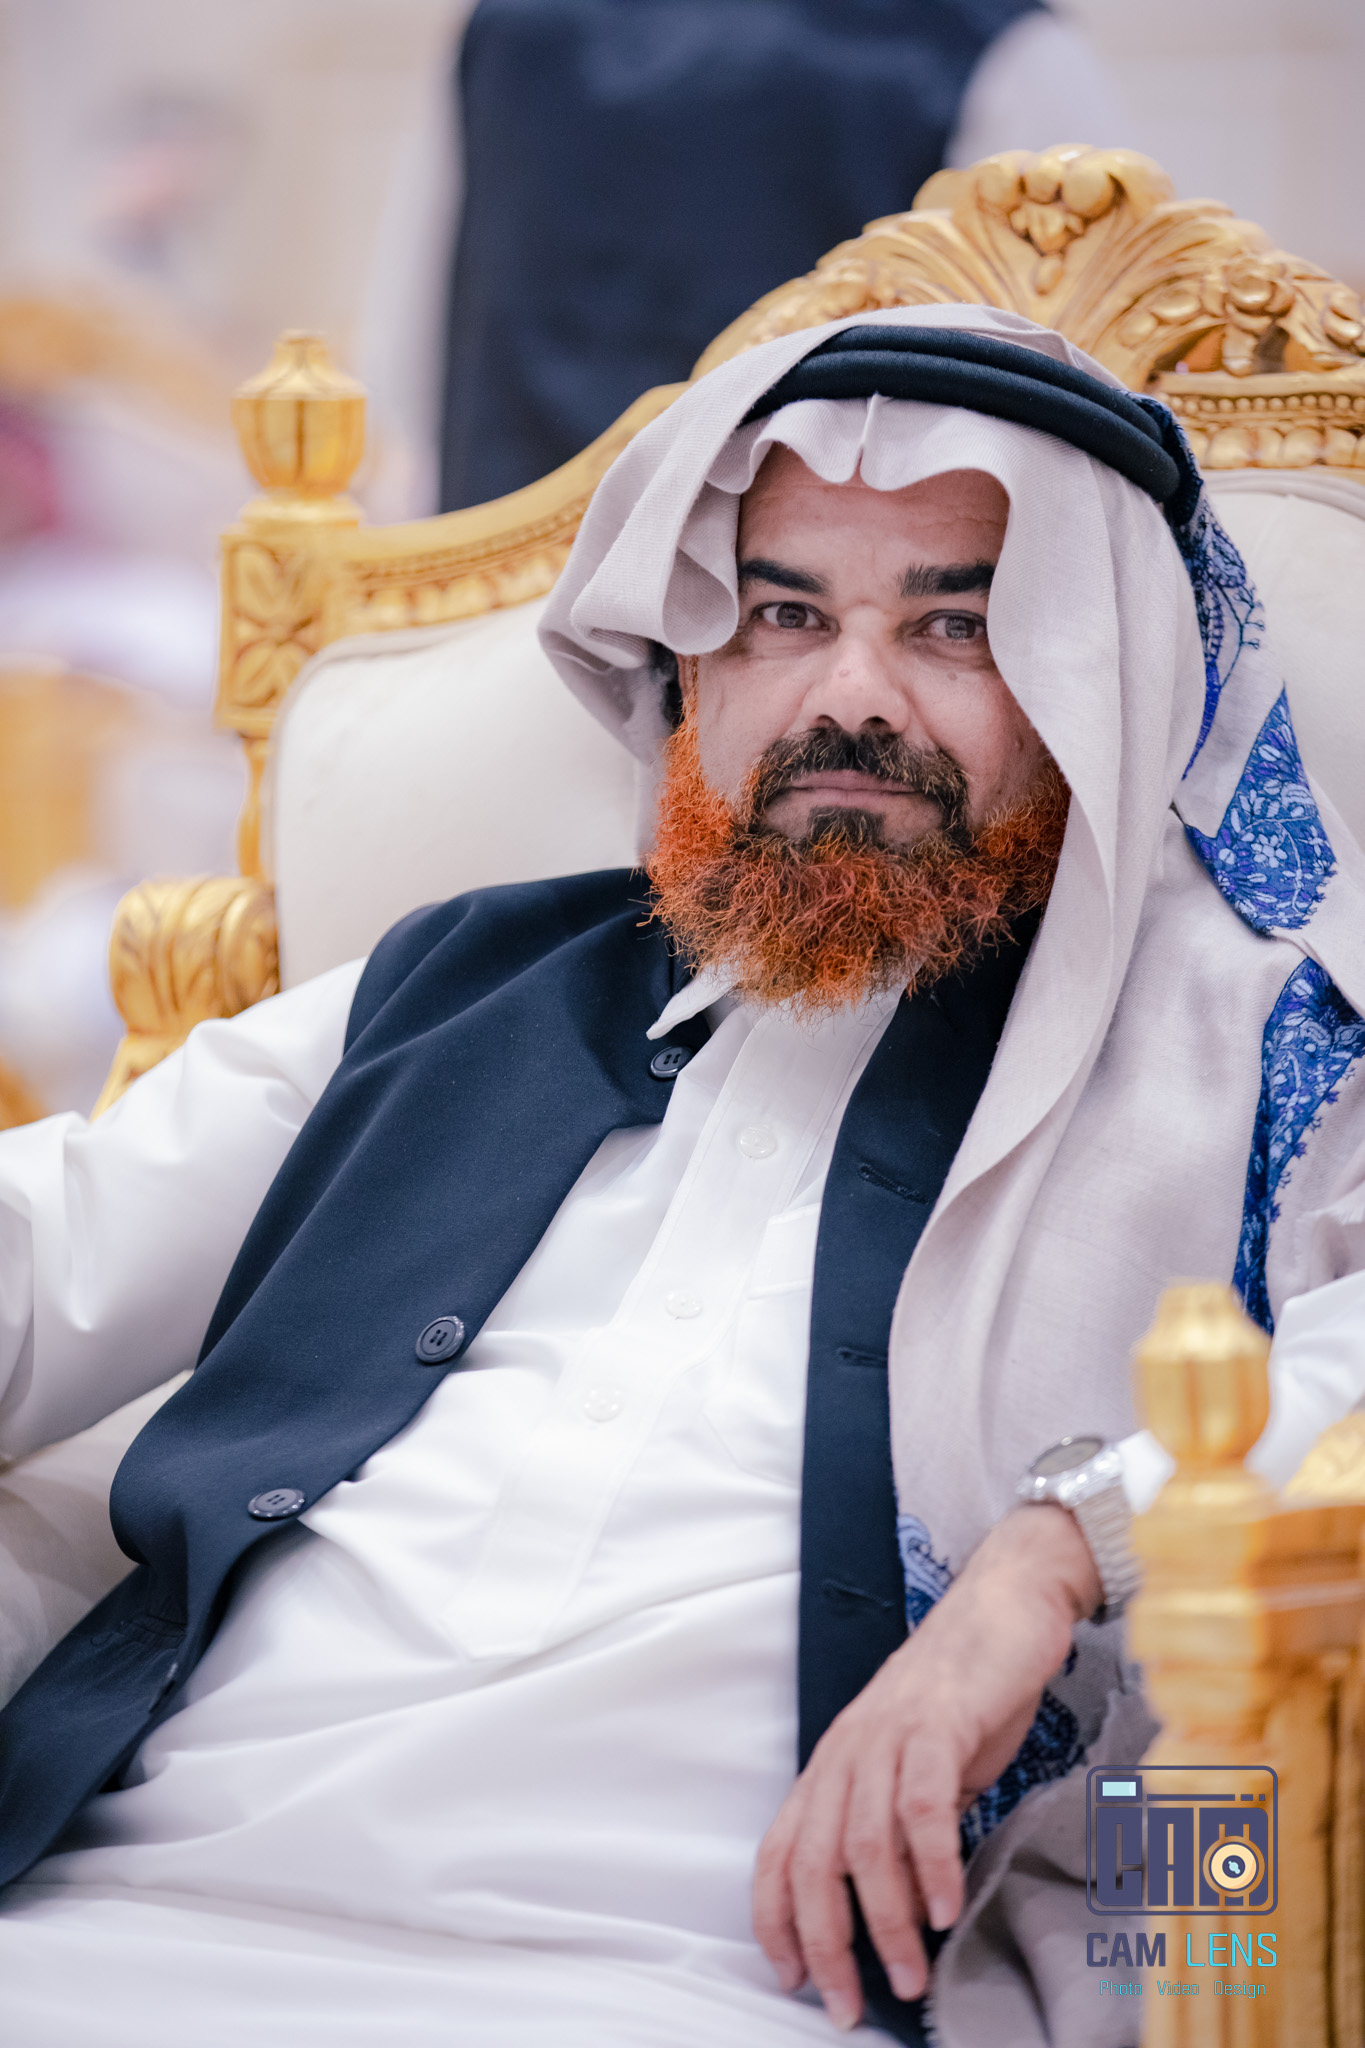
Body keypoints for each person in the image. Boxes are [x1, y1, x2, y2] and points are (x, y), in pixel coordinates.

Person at [2, 305, 1365, 2047]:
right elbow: (46, 1256)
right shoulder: (461, 987)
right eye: (785, 615)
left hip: (703, 1993)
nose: (851, 697)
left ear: (1103, 686)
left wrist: (1057, 1554)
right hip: (104, 1916)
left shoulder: (1261, 1062)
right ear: (691, 664)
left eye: (953, 625)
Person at [436, 0, 1125, 506]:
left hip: (498, 601)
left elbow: (418, 345)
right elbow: (1094, 389)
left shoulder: (508, 27)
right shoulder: (987, 44)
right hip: (812, 619)